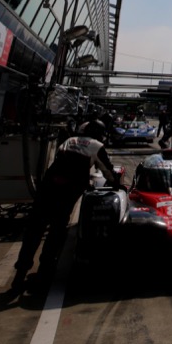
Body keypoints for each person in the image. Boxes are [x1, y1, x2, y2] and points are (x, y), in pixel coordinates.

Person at [10, 120, 119, 294]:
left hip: (47, 188)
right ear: (100, 133)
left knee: (34, 231)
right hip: (66, 192)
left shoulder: (69, 140)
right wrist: (116, 184)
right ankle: (44, 272)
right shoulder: (97, 145)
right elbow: (107, 171)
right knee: (56, 231)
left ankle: (20, 273)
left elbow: (62, 162)